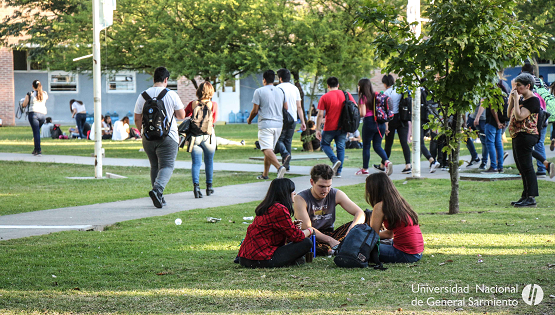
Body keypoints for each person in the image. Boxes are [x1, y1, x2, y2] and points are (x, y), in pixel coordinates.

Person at [134, 66, 185, 208]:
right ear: (166, 79)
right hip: (168, 137)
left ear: (154, 79)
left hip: (147, 138)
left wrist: (142, 132)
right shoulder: (171, 94)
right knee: (167, 165)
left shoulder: (143, 95)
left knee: (154, 165)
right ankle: (157, 191)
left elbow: (137, 118)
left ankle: (158, 197)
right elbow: (181, 116)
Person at [238, 178, 314, 268]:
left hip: (245, 258)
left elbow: (271, 228)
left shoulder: (267, 206)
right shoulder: (279, 209)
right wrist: (310, 230)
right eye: (292, 191)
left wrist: (291, 225)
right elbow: (297, 237)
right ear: (285, 193)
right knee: (306, 242)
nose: (294, 193)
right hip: (262, 258)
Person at [293, 164, 365, 256]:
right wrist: (330, 240)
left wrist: (352, 229)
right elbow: (307, 227)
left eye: (329, 186)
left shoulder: (336, 193)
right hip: (311, 235)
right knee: (304, 242)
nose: (326, 190)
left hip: (331, 234)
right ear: (312, 182)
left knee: (364, 221)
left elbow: (360, 213)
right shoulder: (300, 198)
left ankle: (335, 248)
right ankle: (334, 249)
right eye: (322, 186)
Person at [365, 172, 424, 263]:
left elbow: (373, 236)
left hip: (405, 253)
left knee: (362, 248)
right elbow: (389, 234)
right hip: (417, 253)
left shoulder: (380, 206)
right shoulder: (399, 202)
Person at [247, 70, 288, 180]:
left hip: (266, 124)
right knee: (269, 150)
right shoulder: (281, 91)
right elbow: (286, 107)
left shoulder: (259, 91)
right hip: (279, 124)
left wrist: (249, 120)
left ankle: (279, 167)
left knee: (266, 149)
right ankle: (265, 174)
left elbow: (255, 110)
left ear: (264, 79)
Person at [508, 73, 541, 207]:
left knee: (527, 167)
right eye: (515, 86)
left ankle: (531, 197)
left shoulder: (533, 100)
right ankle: (525, 195)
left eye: (519, 86)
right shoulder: (521, 99)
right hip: (518, 135)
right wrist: (512, 99)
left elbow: (520, 116)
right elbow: (508, 113)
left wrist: (517, 100)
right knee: (521, 167)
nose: (517, 89)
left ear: (528, 86)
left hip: (527, 135)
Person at [315, 77, 355, 177]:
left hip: (329, 127)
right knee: (341, 147)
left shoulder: (324, 97)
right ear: (338, 85)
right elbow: (354, 107)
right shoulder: (347, 94)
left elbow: (320, 115)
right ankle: (339, 172)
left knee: (324, 144)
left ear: (328, 86)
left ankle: (334, 160)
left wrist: (317, 129)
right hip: (343, 126)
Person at [185, 81, 218, 198]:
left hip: (194, 137)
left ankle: (196, 187)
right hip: (209, 137)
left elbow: (185, 114)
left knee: (196, 163)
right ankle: (209, 187)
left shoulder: (193, 104)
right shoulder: (213, 104)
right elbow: (214, 120)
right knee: (209, 162)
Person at [356, 78, 393, 176]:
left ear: (362, 87)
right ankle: (387, 162)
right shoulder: (377, 95)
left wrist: (357, 112)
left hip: (369, 123)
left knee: (366, 146)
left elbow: (363, 113)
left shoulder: (363, 97)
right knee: (377, 146)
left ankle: (365, 169)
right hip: (380, 123)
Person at [274, 68, 306, 171]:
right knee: (288, 140)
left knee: (277, 140)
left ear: (280, 78)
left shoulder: (277, 88)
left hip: (281, 118)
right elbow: (299, 107)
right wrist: (303, 121)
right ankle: (287, 164)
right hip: (292, 118)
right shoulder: (295, 88)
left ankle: (285, 155)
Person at [521, 64, 549, 177]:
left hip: (533, 119)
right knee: (539, 143)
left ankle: (540, 168)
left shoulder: (525, 81)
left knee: (527, 146)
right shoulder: (541, 82)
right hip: (544, 116)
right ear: (533, 71)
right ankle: (543, 167)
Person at [382, 75, 412, 174]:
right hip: (402, 118)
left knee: (388, 143)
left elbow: (387, 109)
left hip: (391, 119)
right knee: (404, 142)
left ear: (385, 83)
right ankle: (408, 165)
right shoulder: (400, 90)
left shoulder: (387, 93)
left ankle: (384, 164)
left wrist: (386, 126)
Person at [477, 80, 508, 174]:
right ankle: (500, 166)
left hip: (492, 122)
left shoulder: (492, 92)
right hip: (501, 122)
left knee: (490, 143)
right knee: (498, 143)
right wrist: (503, 121)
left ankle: (493, 167)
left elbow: (492, 107)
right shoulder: (503, 90)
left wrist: (498, 121)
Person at [22, 80, 48, 156]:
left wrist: (22, 103)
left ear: (33, 86)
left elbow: (24, 104)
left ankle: (38, 150)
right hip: (43, 115)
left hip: (33, 114)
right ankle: (35, 149)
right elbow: (44, 98)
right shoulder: (45, 94)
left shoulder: (30, 94)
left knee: (36, 132)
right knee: (37, 132)